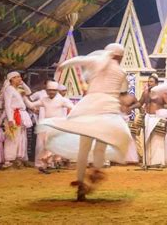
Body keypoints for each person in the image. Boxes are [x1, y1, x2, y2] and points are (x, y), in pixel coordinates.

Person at [40, 43, 133, 201]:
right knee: (100, 147)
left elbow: (79, 60)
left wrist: (62, 65)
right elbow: (122, 92)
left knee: (84, 148)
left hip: (89, 106)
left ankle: (81, 183)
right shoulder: (122, 72)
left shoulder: (98, 62)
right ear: (121, 56)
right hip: (108, 108)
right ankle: (96, 170)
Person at [24, 81, 74, 174]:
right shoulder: (44, 99)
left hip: (57, 126)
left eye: (54, 90)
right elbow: (31, 105)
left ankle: (49, 164)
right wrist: (23, 97)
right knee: (47, 146)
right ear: (46, 90)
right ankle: (45, 165)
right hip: (47, 126)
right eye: (49, 90)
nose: (51, 92)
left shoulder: (62, 100)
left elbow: (72, 107)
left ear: (56, 91)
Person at [137, 74, 167, 167]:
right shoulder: (145, 93)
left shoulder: (162, 93)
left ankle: (159, 162)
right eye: (148, 81)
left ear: (156, 83)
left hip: (158, 118)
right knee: (146, 140)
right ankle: (147, 162)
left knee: (158, 140)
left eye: (151, 82)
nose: (149, 83)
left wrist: (162, 109)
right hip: (147, 118)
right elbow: (139, 103)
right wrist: (141, 109)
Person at [1, 71, 33, 168]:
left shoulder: (17, 89)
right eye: (17, 77)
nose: (20, 78)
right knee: (12, 138)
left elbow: (28, 92)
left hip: (20, 116)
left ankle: (18, 158)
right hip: (13, 116)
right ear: (11, 79)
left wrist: (22, 83)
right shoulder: (9, 89)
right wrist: (10, 119)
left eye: (20, 77)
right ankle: (8, 160)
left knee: (21, 138)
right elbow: (7, 104)